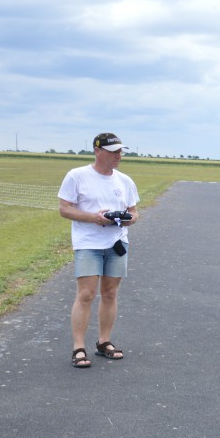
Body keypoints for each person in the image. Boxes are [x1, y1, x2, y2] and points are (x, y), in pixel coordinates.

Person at [58, 132, 140, 368]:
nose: (119, 156)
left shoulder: (125, 181)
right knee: (85, 294)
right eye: (114, 151)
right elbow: (64, 209)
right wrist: (94, 218)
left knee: (110, 293)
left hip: (117, 243)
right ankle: (78, 347)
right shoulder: (77, 176)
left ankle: (104, 342)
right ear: (97, 151)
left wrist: (128, 219)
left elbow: (134, 211)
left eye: (120, 151)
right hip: (88, 243)